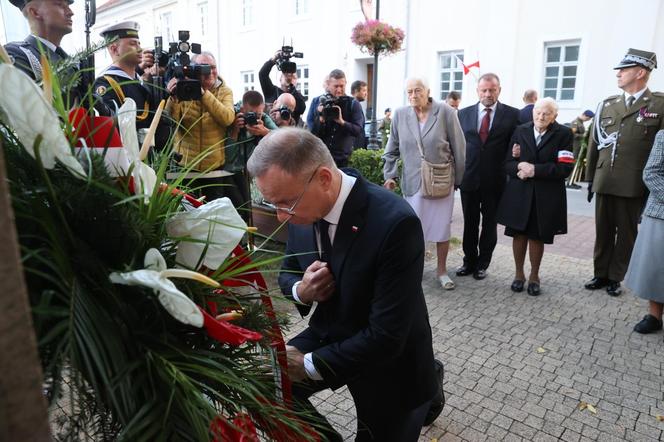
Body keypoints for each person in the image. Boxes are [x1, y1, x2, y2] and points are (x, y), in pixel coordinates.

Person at [250, 128, 438, 442]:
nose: (281, 217)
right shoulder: (301, 208)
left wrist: (308, 363)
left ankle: (431, 384)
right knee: (262, 384)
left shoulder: (395, 222)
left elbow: (387, 335)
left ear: (324, 178)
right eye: (272, 205)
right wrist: (303, 290)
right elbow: (287, 273)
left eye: (286, 204)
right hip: (331, 332)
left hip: (389, 357)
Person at [585, 48, 664, 296]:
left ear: (640, 72)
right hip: (605, 179)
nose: (618, 74)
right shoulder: (608, 104)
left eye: (624, 70)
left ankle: (616, 277)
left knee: (627, 233)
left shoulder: (658, 105)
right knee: (603, 230)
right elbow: (593, 145)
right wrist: (590, 179)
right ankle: (600, 274)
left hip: (634, 183)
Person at [383, 78, 465, 290]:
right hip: (413, 181)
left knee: (441, 228)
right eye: (409, 91)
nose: (412, 95)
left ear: (428, 91)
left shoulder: (446, 112)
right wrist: (389, 175)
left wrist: (457, 180)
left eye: (417, 90)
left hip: (440, 181)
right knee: (412, 230)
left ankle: (442, 271)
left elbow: (459, 147)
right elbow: (391, 149)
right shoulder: (400, 115)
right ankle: (414, 270)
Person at [497, 97, 574, 296]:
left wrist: (534, 170)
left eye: (546, 113)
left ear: (554, 116)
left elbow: (565, 168)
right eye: (538, 112)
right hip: (519, 193)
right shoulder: (520, 130)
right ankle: (518, 274)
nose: (541, 116)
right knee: (518, 233)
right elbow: (507, 163)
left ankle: (534, 276)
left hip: (545, 196)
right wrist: (519, 168)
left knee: (536, 235)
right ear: (532, 112)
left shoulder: (563, 134)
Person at [457, 73, 520, 280]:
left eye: (492, 90)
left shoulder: (512, 115)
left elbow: (517, 143)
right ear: (477, 91)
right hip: (469, 178)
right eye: (484, 90)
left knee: (490, 224)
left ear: (499, 90)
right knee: (470, 223)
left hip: (496, 180)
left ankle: (483, 263)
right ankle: (468, 261)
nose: (487, 94)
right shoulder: (462, 114)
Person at [4, 0, 107, 113]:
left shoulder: (73, 62)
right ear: (35, 12)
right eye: (60, 5)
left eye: (68, 6)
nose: (70, 12)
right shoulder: (18, 55)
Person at [165, 51, 235, 202]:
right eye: (204, 67)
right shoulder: (183, 88)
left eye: (213, 67)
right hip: (186, 166)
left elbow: (227, 118)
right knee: (187, 212)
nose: (209, 72)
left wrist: (202, 93)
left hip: (213, 167)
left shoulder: (224, 91)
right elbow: (173, 121)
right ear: (193, 70)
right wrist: (173, 97)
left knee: (214, 212)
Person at [94, 22, 165, 142]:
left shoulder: (142, 81)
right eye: (133, 44)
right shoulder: (106, 84)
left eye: (139, 43)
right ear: (114, 49)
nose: (140, 49)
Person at [625, 130, 664, 335]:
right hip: (661, 212)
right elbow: (651, 173)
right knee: (656, 267)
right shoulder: (663, 136)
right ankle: (654, 316)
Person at [225, 90, 277, 221]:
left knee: (246, 211)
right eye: (251, 114)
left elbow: (282, 138)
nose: (254, 118)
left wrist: (265, 132)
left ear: (263, 109)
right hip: (227, 172)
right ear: (242, 108)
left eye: (258, 114)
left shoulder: (263, 119)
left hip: (246, 172)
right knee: (240, 209)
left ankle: (246, 238)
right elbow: (229, 158)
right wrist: (235, 131)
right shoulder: (232, 117)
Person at [306, 69, 364, 167]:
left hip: (342, 160)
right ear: (328, 84)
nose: (339, 90)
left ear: (346, 83)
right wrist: (320, 118)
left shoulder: (353, 104)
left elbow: (358, 131)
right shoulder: (317, 102)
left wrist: (342, 122)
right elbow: (311, 132)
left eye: (342, 86)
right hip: (320, 158)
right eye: (335, 86)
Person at [258, 50, 307, 123]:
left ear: (296, 81)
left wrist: (291, 87)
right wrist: (273, 60)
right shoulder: (271, 91)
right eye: (286, 75)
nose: (289, 78)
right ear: (280, 79)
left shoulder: (298, 97)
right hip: (270, 130)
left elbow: (302, 108)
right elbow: (263, 74)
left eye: (293, 77)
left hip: (289, 132)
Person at [566, 109, 594, 189]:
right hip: (575, 147)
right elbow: (572, 134)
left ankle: (572, 181)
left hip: (579, 147)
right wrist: (583, 136)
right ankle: (569, 182)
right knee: (573, 163)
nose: (588, 120)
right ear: (585, 116)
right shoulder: (575, 122)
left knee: (576, 164)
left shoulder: (580, 122)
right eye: (588, 118)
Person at [351, 80, 368, 148]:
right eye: (363, 90)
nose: (366, 93)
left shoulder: (354, 103)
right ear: (356, 91)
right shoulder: (353, 103)